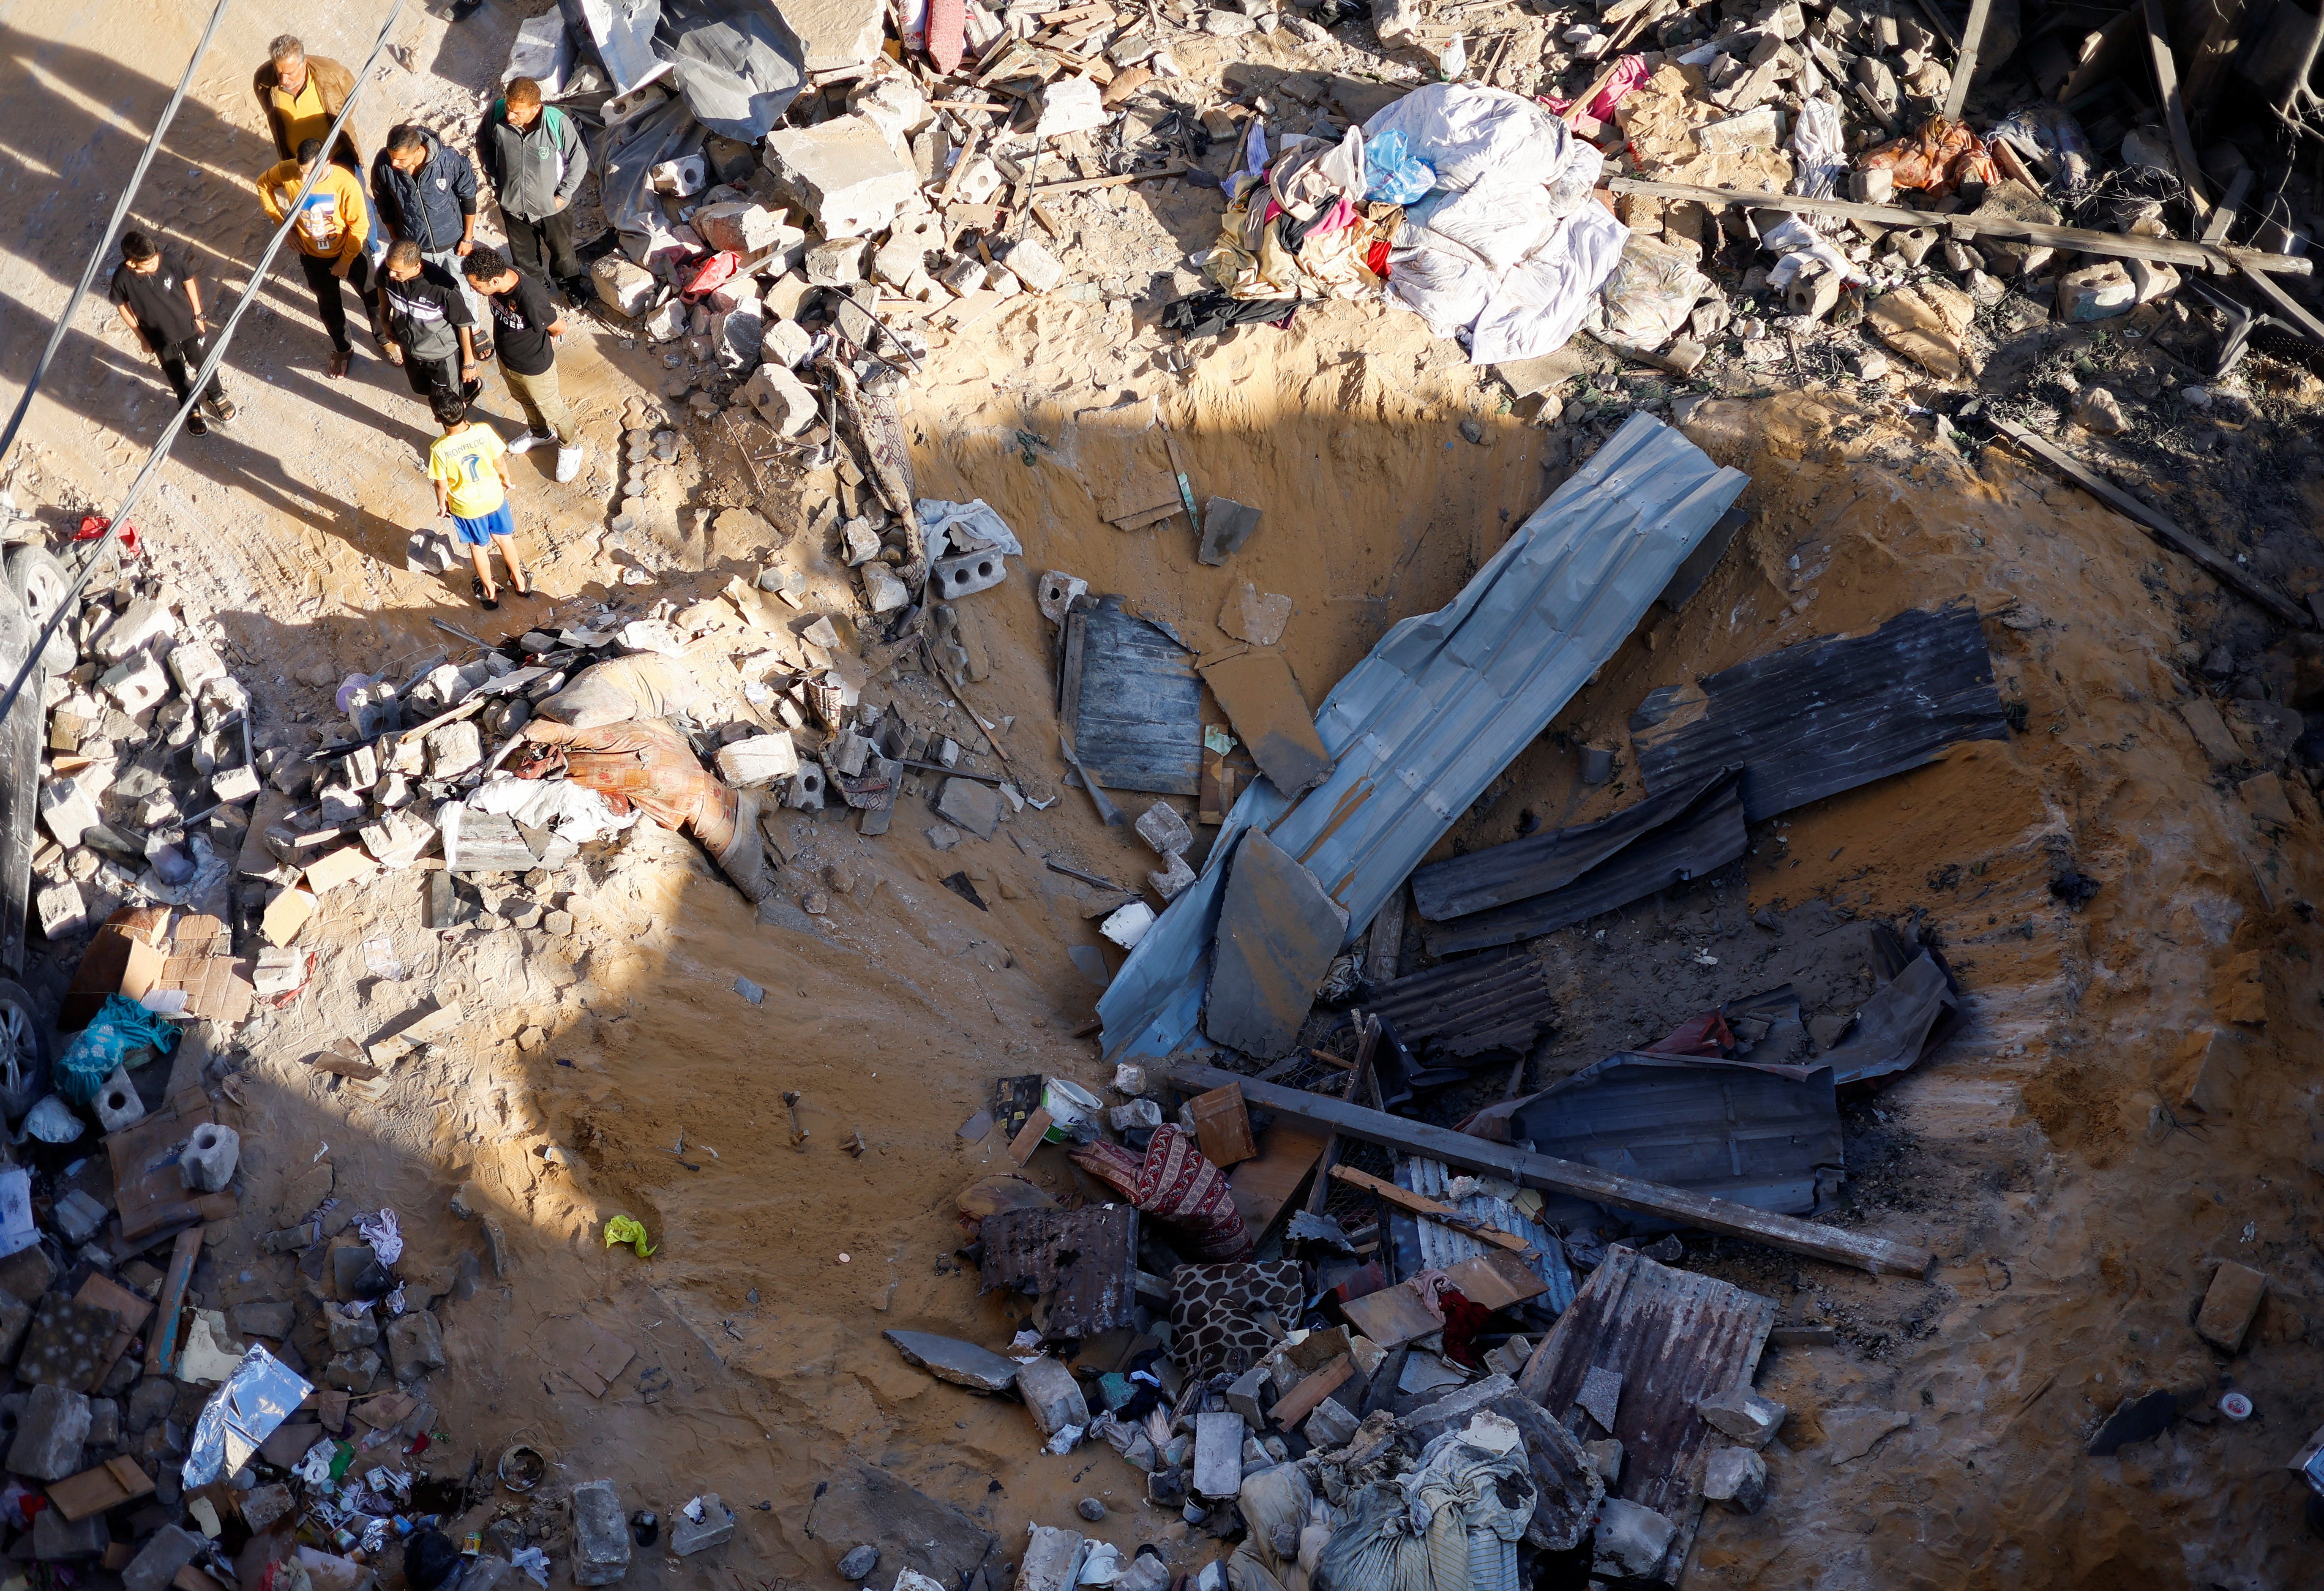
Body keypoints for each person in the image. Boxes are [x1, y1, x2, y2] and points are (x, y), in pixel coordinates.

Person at [259, 136, 381, 379]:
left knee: (373, 295)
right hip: (313, 255)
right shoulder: (287, 170)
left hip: (351, 251)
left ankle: (383, 337)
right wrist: (283, 225)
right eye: (301, 172)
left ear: (326, 162)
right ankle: (343, 348)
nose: (303, 180)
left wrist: (345, 261)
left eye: (309, 174)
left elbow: (360, 227)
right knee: (328, 305)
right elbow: (263, 185)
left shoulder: (346, 184)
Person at [461, 246, 583, 483]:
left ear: (494, 280)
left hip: (535, 368)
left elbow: (560, 327)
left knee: (553, 410)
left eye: (476, 286)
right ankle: (540, 434)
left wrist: (551, 335)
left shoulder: (530, 298)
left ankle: (570, 447)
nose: (473, 290)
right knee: (525, 401)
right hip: (508, 361)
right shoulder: (501, 280)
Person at [371, 123, 490, 357]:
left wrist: (468, 237)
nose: (395, 164)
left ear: (418, 151)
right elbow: (383, 204)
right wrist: (398, 240)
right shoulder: (385, 165)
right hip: (416, 248)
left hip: (454, 243)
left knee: (463, 289)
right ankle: (440, 334)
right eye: (392, 157)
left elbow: (468, 197)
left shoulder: (448, 161)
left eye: (401, 160)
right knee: (423, 293)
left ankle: (473, 329)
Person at [108, 231, 237, 435]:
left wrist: (199, 315)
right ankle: (190, 408)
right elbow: (121, 305)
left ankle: (216, 395)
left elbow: (188, 280)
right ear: (132, 264)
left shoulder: (168, 260)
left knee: (204, 362)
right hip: (159, 337)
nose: (155, 264)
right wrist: (142, 337)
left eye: (155, 257)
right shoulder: (122, 278)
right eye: (149, 263)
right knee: (176, 375)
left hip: (189, 326)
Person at [475, 78, 589, 306]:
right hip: (513, 206)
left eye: (517, 113)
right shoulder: (496, 114)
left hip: (552, 207)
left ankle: (570, 285)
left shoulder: (557, 123)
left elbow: (579, 161)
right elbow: (484, 145)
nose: (510, 117)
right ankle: (537, 295)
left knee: (562, 251)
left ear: (536, 108)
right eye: (509, 108)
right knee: (524, 258)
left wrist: (562, 197)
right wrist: (497, 185)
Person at [426, 393, 530, 610]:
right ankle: (521, 584)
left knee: (479, 547)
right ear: (464, 407)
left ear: (438, 419)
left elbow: (441, 485)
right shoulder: (484, 430)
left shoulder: (439, 449)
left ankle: (490, 594)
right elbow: (500, 462)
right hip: (494, 497)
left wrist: (442, 505)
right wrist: (507, 481)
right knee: (504, 539)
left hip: (467, 507)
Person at [376, 241, 479, 406]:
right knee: (421, 389)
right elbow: (383, 286)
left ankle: (465, 399)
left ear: (417, 266)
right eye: (390, 268)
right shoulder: (388, 271)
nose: (391, 274)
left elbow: (463, 324)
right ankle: (468, 388)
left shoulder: (443, 287)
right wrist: (384, 320)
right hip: (409, 349)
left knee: (448, 403)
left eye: (398, 271)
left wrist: (469, 363)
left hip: (440, 356)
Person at [252, 34, 366, 173]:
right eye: (279, 72)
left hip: (340, 156)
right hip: (300, 164)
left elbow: (350, 99)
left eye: (290, 73)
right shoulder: (264, 80)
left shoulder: (333, 74)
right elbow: (269, 110)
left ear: (304, 63)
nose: (283, 80)